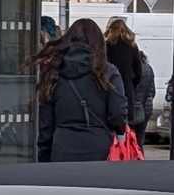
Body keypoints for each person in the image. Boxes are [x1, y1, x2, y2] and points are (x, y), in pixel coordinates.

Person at [34, 17, 129, 163]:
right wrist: (120, 133)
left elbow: (46, 124)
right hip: (100, 149)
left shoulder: (54, 72)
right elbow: (117, 113)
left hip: (62, 148)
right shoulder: (108, 72)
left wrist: (45, 156)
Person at [103, 16, 156, 141]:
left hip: (110, 89)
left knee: (111, 126)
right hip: (127, 90)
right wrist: (132, 86)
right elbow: (138, 71)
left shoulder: (107, 46)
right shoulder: (132, 47)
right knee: (127, 126)